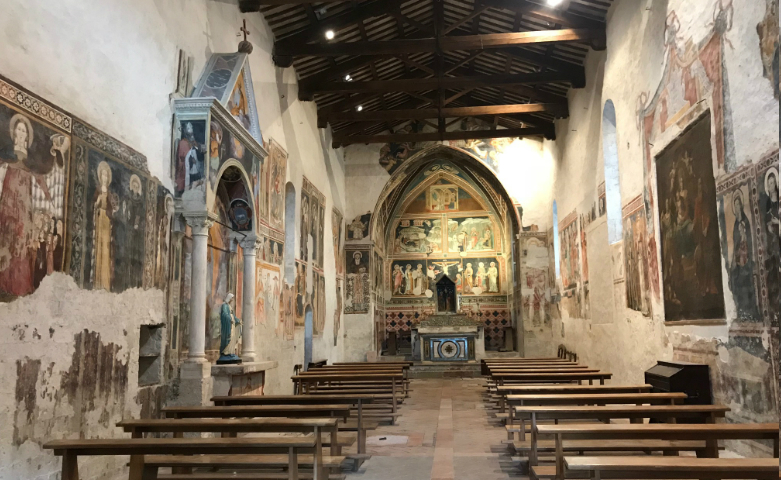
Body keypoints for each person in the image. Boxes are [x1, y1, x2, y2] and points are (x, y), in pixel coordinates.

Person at [218, 293, 242, 364]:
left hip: (232, 324)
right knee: (228, 337)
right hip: (228, 325)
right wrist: (229, 319)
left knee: (232, 338)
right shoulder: (224, 305)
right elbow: (224, 315)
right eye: (231, 298)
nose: (232, 300)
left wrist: (238, 321)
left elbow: (233, 315)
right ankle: (225, 352)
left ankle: (231, 352)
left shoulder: (229, 306)